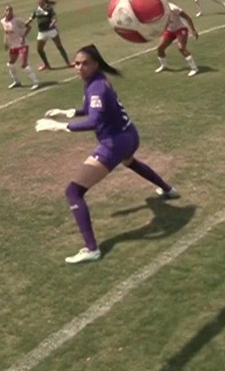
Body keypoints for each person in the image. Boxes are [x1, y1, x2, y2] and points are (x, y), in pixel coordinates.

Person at [35, 44, 179, 264]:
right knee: (130, 161)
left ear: (96, 64)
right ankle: (168, 189)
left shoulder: (97, 87)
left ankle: (91, 248)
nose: (80, 67)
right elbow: (93, 110)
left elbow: (94, 121)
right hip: (130, 135)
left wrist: (58, 126)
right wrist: (67, 112)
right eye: (77, 63)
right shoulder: (97, 82)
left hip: (115, 142)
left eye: (85, 63)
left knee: (73, 192)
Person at [27, 0, 72, 71]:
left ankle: (68, 63)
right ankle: (46, 65)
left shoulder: (49, 8)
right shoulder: (36, 10)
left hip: (51, 30)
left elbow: (54, 18)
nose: (39, 0)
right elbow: (30, 19)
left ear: (44, 0)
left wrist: (52, 23)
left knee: (59, 46)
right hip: (42, 32)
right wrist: (25, 24)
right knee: (39, 49)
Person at [1, 5, 41, 90]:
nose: (9, 12)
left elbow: (29, 27)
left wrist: (23, 37)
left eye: (10, 10)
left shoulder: (17, 20)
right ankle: (16, 81)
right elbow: (6, 32)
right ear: (4, 12)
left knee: (23, 64)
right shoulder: (3, 21)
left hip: (22, 45)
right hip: (13, 46)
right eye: (7, 10)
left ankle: (36, 81)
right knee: (11, 64)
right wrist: (5, 42)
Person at [155, 2, 200, 76]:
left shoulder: (173, 9)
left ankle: (194, 68)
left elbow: (187, 18)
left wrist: (193, 30)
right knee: (160, 48)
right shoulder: (159, 11)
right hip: (170, 30)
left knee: (181, 48)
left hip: (180, 29)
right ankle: (164, 65)